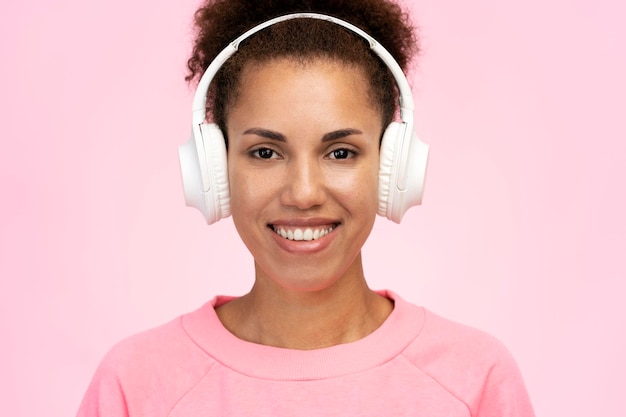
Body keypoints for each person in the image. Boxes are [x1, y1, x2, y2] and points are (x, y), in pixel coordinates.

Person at [77, 0, 535, 416]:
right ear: (214, 168)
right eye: (265, 153)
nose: (303, 193)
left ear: (393, 165)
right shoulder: (136, 384)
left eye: (340, 153)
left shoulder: (475, 379)